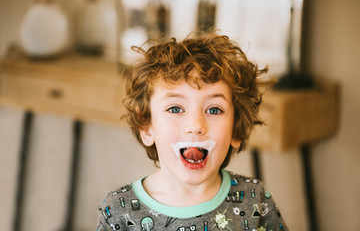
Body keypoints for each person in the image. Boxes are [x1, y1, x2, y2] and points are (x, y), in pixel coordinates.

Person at [96, 31, 288, 230]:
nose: (196, 125)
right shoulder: (118, 211)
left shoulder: (255, 200)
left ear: (236, 131)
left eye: (214, 110)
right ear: (146, 127)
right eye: (175, 109)